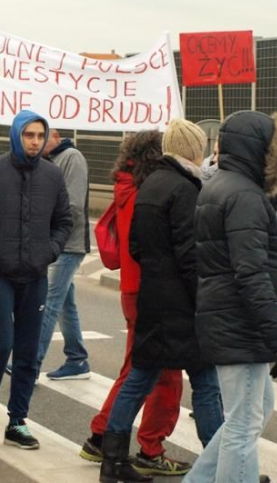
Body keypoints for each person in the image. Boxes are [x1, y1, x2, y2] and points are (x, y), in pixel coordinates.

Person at [100, 121, 223, 482]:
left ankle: (113, 460)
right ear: (192, 149)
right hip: (183, 305)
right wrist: (206, 300)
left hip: (154, 299)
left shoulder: (150, 183)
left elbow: (135, 245)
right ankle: (220, 463)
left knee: (140, 376)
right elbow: (190, 255)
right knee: (206, 381)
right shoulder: (186, 189)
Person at [185, 110, 277, 483]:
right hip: (242, 324)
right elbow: (250, 273)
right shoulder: (245, 195)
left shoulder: (221, 186)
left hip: (227, 317)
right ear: (260, 148)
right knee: (244, 426)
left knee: (256, 410)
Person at [81, 131, 189, 476]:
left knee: (138, 368)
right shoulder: (150, 192)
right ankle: (149, 447)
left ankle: (102, 436)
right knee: (165, 374)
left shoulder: (127, 188)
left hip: (135, 288)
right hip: (153, 291)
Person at [0, 110, 72, 452]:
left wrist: (51, 250)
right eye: (29, 135)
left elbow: (64, 221)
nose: (35, 142)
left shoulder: (53, 176)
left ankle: (17, 421)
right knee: (0, 344)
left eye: (40, 136)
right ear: (16, 135)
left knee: (28, 351)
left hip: (36, 274)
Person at [36, 129, 92, 380]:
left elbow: (74, 205)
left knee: (48, 302)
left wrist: (52, 233)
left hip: (68, 244)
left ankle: (30, 363)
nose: (36, 142)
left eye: (41, 136)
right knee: (64, 305)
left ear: (56, 137)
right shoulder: (49, 161)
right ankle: (77, 358)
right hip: (56, 243)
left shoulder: (72, 157)